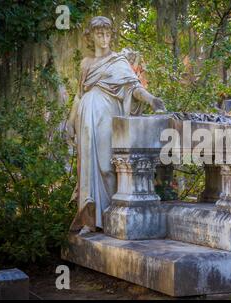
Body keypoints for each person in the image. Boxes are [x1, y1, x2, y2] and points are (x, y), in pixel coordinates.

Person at [66, 16, 166, 232]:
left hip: (105, 119)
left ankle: (112, 216)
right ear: (91, 37)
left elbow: (133, 88)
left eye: (107, 34)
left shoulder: (118, 61)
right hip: (85, 122)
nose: (104, 38)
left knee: (106, 166)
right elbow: (78, 95)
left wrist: (151, 99)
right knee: (87, 170)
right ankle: (90, 220)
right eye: (99, 34)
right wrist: (70, 121)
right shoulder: (85, 63)